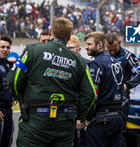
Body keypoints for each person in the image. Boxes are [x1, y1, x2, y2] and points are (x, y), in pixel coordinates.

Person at [7, 17, 96, 147]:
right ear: (69, 36)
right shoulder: (79, 61)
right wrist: (76, 116)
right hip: (64, 123)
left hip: (35, 120)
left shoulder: (32, 50)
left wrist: (20, 99)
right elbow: (90, 94)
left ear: (50, 32)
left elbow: (14, 80)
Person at [84, 32, 125, 147]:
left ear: (100, 45)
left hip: (101, 120)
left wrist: (87, 117)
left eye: (89, 44)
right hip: (118, 118)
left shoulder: (96, 64)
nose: (86, 47)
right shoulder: (117, 62)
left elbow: (92, 94)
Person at [105, 33, 140, 116]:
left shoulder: (128, 56)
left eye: (114, 50)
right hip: (105, 100)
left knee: (120, 127)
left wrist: (126, 85)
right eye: (110, 50)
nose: (112, 52)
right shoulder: (103, 56)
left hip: (122, 100)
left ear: (119, 43)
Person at [0, 36, 14, 147]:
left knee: (7, 141)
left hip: (8, 109)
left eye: (8, 47)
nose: (5, 49)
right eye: (2, 47)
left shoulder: (10, 65)